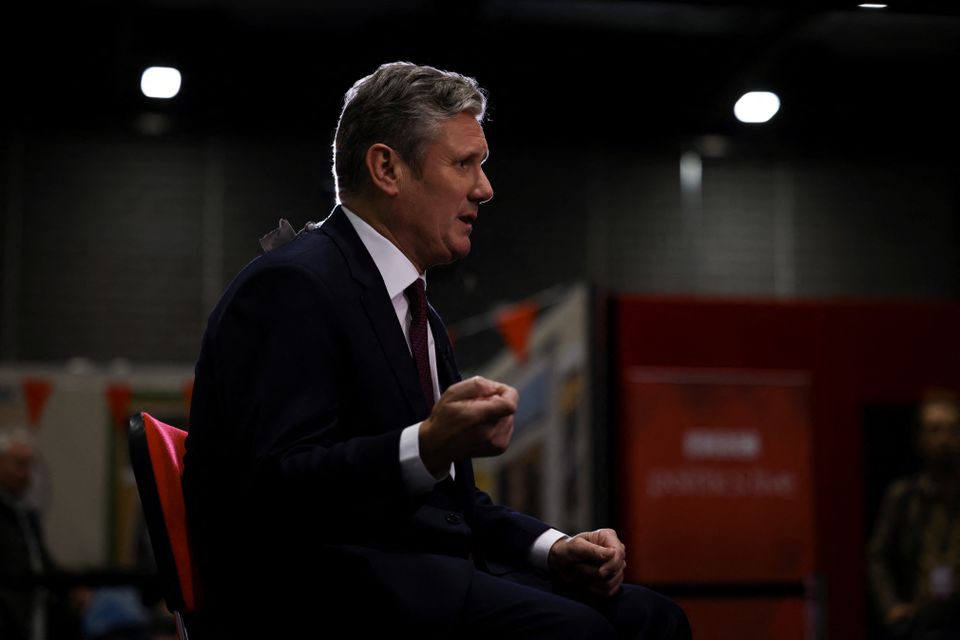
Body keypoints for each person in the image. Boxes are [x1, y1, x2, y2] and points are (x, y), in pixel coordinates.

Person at [183, 61, 690, 639]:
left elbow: (456, 505)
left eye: (483, 165)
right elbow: (275, 488)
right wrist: (424, 445)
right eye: (463, 164)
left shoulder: (416, 308)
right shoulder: (292, 285)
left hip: (423, 584)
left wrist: (555, 548)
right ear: (386, 168)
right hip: (326, 599)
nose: (485, 188)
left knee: (655, 619)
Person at [868, 390, 960, 638]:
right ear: (920, 438)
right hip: (920, 620)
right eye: (935, 429)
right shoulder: (904, 497)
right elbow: (878, 556)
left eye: (952, 429)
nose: (944, 439)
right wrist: (891, 607)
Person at [0, 428, 81, 640]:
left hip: (33, 615)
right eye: (19, 464)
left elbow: (40, 562)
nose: (26, 473)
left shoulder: (26, 515)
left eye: (29, 465)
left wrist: (74, 588)